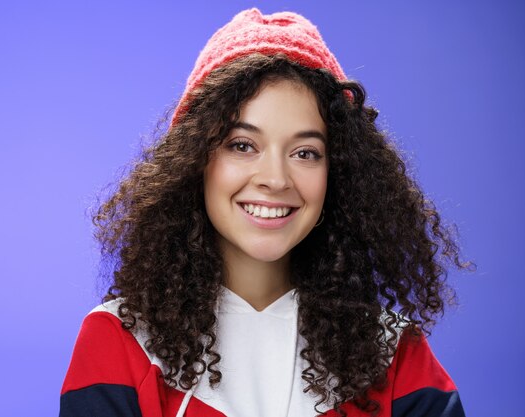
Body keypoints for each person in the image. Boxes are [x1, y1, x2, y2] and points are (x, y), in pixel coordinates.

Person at [59, 8, 471, 417]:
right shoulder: (119, 341)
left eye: (305, 153)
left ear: (339, 175)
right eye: (242, 145)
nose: (275, 178)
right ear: (194, 160)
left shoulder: (395, 355)